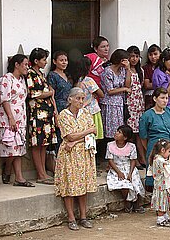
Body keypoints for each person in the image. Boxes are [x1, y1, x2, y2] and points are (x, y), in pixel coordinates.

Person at [54, 87, 97, 231]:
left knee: (83, 186)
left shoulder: (86, 113)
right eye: (77, 98)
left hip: (84, 153)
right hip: (69, 155)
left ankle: (83, 217)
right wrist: (87, 132)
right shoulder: (63, 115)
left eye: (82, 98)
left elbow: (93, 134)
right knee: (69, 185)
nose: (80, 101)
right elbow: (69, 136)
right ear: (70, 99)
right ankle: (71, 218)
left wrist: (76, 140)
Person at [0, 54, 34, 187]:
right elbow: (5, 99)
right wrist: (11, 118)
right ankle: (8, 169)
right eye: (24, 64)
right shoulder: (6, 79)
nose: (27, 67)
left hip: (21, 118)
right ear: (16, 65)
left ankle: (18, 177)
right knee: (11, 147)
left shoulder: (22, 80)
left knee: (18, 147)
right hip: (8, 118)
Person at [27, 47, 57, 185]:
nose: (46, 62)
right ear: (36, 60)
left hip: (46, 113)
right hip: (37, 113)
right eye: (44, 59)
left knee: (44, 144)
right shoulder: (30, 74)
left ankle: (43, 172)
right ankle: (40, 174)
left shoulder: (41, 74)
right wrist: (49, 93)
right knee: (37, 144)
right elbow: (33, 93)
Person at [106, 125, 145, 213]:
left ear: (125, 137)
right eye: (117, 131)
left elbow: (133, 160)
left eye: (119, 132)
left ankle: (135, 202)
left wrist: (130, 173)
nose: (116, 133)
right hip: (116, 168)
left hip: (129, 168)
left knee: (134, 181)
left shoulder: (131, 146)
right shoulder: (110, 145)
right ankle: (127, 201)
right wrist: (119, 172)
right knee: (123, 183)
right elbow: (110, 161)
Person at [47, 51, 72, 168]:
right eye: (61, 60)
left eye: (65, 60)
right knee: (58, 136)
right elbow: (51, 94)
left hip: (68, 108)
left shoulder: (67, 75)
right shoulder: (52, 75)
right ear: (54, 61)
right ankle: (59, 166)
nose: (64, 62)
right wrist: (56, 113)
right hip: (58, 106)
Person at [100, 49, 131, 140]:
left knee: (120, 127)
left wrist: (128, 70)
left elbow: (128, 84)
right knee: (111, 129)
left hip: (120, 103)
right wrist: (124, 89)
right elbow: (109, 91)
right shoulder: (107, 72)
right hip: (110, 103)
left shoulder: (122, 70)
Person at [126, 46, 146, 168]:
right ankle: (133, 159)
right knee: (131, 133)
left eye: (137, 56)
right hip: (130, 103)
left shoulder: (141, 71)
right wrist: (128, 69)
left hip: (139, 103)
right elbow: (127, 85)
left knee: (139, 132)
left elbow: (141, 86)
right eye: (132, 56)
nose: (134, 59)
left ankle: (142, 157)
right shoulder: (125, 71)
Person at [149, 139, 170, 227]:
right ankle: (160, 218)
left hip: (164, 184)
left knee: (165, 200)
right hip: (161, 185)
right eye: (169, 151)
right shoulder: (158, 159)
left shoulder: (158, 158)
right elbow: (166, 167)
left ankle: (164, 215)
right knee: (162, 201)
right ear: (162, 150)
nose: (169, 154)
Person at [142, 44, 161, 110]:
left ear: (160, 54)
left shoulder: (163, 67)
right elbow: (147, 85)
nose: (153, 57)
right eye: (150, 55)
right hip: (150, 97)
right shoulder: (146, 68)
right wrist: (161, 84)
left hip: (162, 97)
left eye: (155, 54)